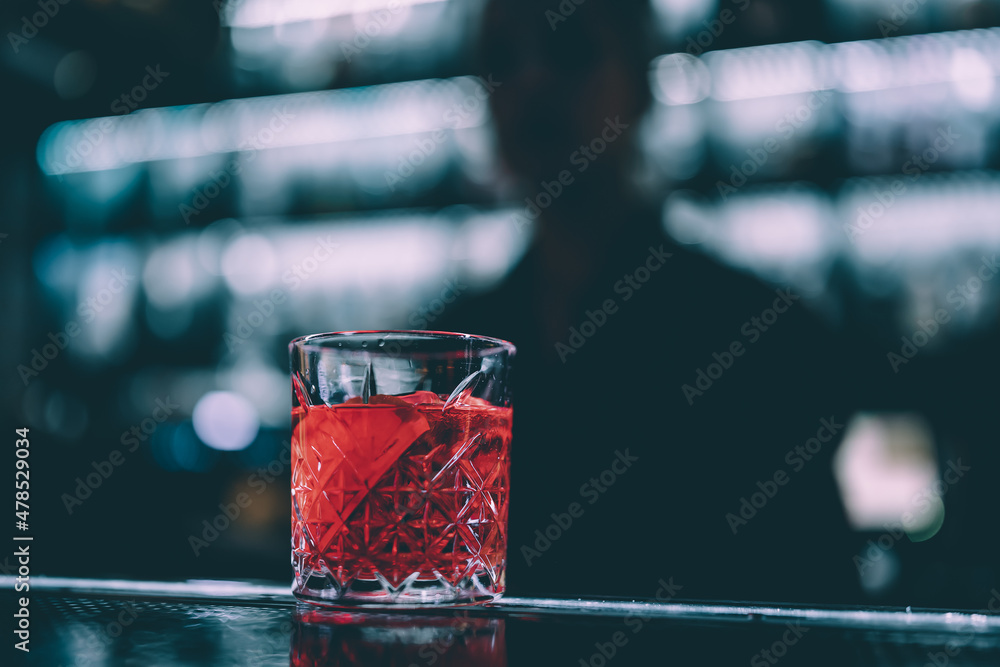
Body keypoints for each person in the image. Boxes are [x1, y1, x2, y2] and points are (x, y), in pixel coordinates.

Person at [436, 0, 895, 604]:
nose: (531, 80)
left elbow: (810, 594)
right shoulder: (456, 343)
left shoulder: (759, 333)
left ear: (643, 81)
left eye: (570, 49)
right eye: (500, 61)